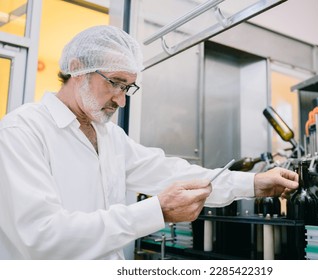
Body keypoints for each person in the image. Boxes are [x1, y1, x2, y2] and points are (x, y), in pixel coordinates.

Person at [0, 25, 298, 260]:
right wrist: (157, 211)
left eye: (127, 87)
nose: (120, 99)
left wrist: (253, 183)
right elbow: (43, 237)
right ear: (77, 69)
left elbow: (171, 173)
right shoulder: (22, 131)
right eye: (114, 83)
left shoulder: (109, 135)